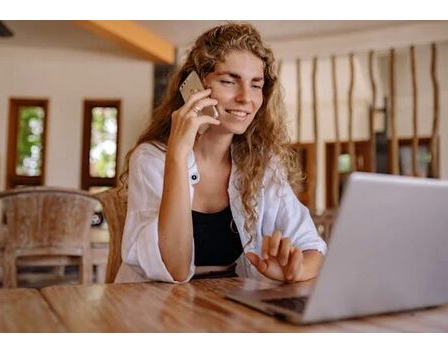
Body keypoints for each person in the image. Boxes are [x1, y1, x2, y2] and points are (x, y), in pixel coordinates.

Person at [115, 22, 327, 284]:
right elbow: (175, 269)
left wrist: (296, 270)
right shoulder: (152, 158)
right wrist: (178, 155)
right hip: (155, 307)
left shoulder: (262, 163)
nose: (245, 98)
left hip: (229, 306)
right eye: (229, 81)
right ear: (193, 87)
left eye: (256, 85)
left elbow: (313, 247)